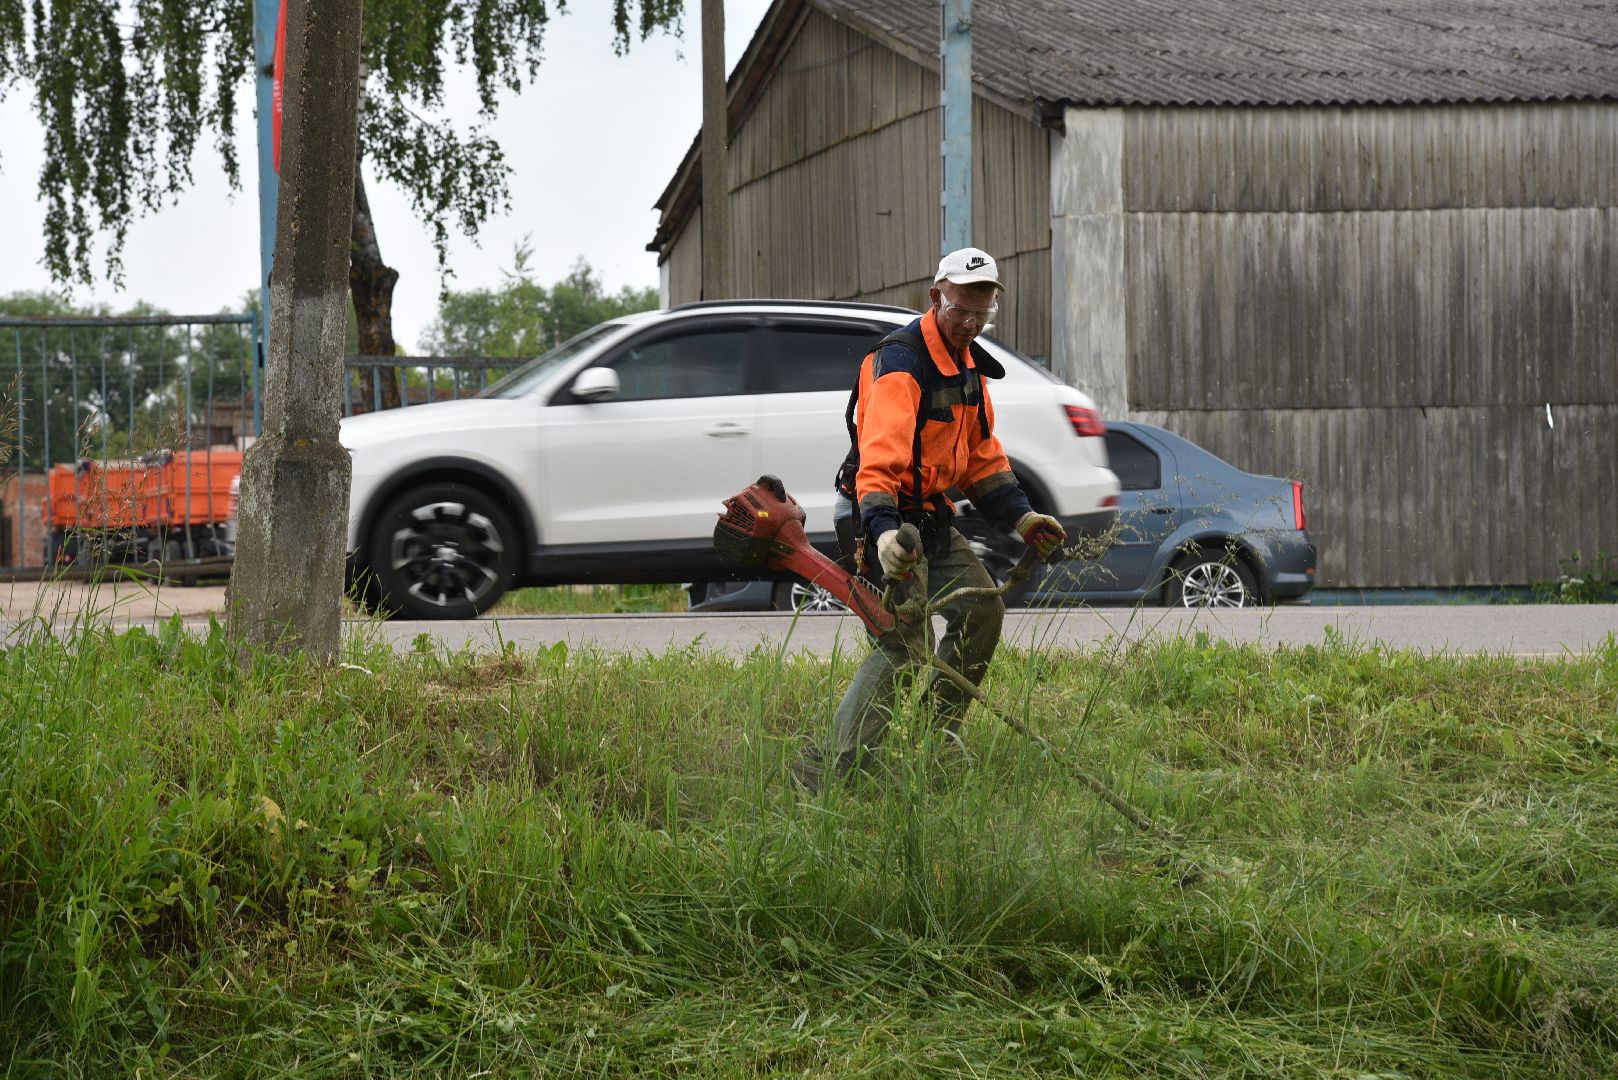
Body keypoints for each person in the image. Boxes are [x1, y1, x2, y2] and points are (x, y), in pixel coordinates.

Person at [792, 247, 1067, 792]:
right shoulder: (899, 364)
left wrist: (1025, 519)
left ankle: (928, 745)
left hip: (930, 518)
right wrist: (884, 533)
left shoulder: (970, 369)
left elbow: (983, 461)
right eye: (960, 310)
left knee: (983, 612)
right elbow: (879, 464)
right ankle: (828, 774)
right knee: (903, 639)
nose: (969, 323)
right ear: (935, 297)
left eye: (980, 313)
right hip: (878, 513)